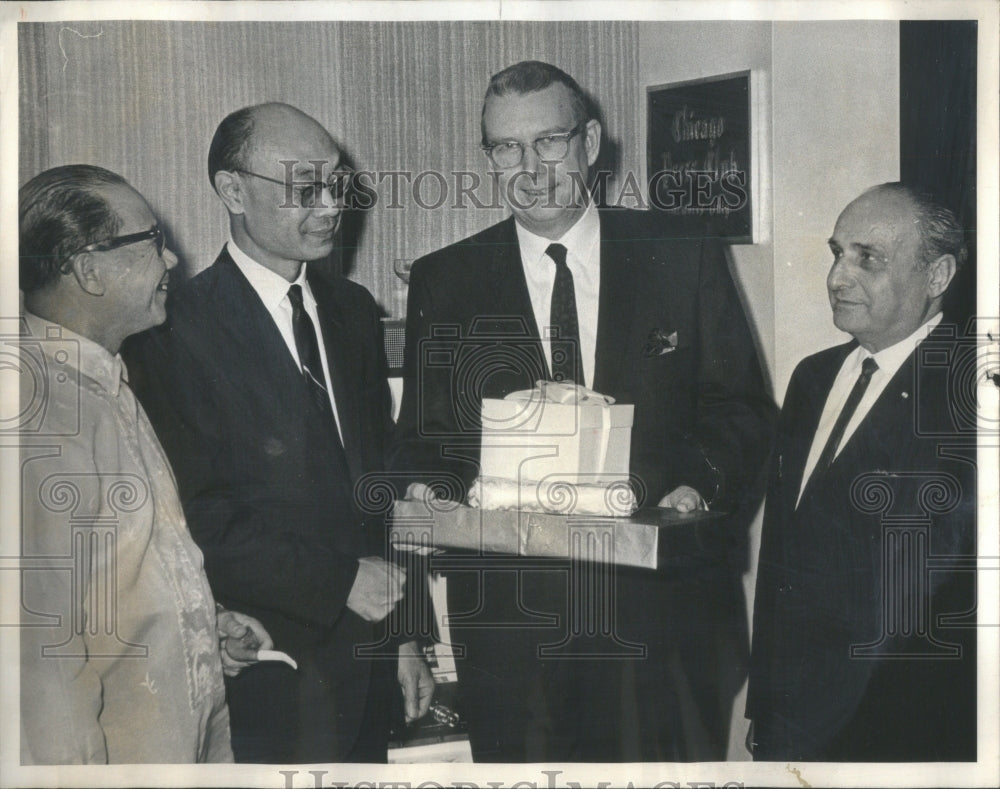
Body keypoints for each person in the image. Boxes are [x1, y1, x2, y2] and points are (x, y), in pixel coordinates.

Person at [390, 61, 776, 761]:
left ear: (591, 143)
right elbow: (425, 440)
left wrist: (684, 482)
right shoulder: (446, 281)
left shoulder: (681, 252)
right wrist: (428, 488)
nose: (530, 169)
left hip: (664, 623)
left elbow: (742, 410)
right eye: (506, 148)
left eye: (549, 142)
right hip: (515, 631)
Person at [124, 103, 433, 763]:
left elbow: (381, 485)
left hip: (374, 662)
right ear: (232, 190)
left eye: (336, 184)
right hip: (271, 672)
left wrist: (408, 636)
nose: (330, 206)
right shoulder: (170, 332)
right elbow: (193, 515)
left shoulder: (353, 313)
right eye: (304, 188)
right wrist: (338, 580)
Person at [18, 164, 273, 764]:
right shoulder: (39, 417)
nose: (173, 261)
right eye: (152, 240)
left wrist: (204, 625)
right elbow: (43, 663)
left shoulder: (104, 384)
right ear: (89, 268)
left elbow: (118, 576)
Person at [747, 183, 977, 761]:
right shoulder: (812, 378)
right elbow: (781, 552)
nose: (837, 277)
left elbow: (934, 596)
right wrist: (765, 702)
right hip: (791, 717)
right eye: (837, 253)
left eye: (866, 258)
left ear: (938, 275)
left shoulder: (969, 396)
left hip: (896, 727)